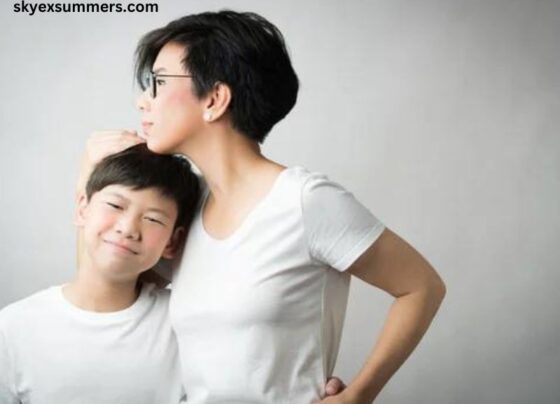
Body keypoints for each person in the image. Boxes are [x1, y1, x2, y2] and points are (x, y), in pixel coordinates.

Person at [80, 10, 446, 403]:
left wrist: (359, 394)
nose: (142, 101)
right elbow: (101, 292)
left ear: (216, 99)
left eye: (160, 83)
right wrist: (90, 172)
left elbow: (421, 287)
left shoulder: (305, 202)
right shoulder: (184, 210)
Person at [0, 144, 200, 404]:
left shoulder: (182, 323)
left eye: (153, 219)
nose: (128, 228)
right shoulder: (13, 328)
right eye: (116, 205)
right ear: (82, 208)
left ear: (173, 242)